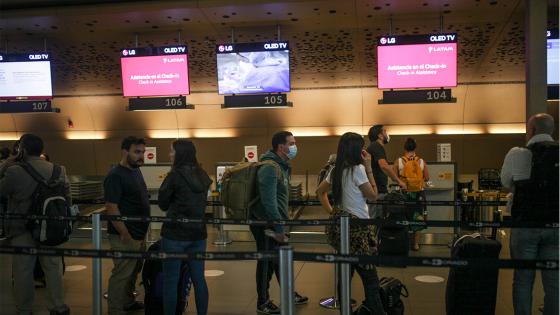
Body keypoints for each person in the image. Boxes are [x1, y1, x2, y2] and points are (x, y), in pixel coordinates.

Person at [0, 134, 70, 315]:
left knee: (23, 271)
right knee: (53, 269)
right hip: (51, 227)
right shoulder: (58, 170)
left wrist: (7, 162)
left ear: (22, 150)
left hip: (22, 229)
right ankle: (57, 306)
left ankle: (24, 309)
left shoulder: (14, 170)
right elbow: (67, 199)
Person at [316, 132, 385, 315]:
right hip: (359, 230)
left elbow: (320, 192)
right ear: (356, 150)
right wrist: (369, 167)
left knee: (345, 275)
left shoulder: (335, 170)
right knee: (370, 278)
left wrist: (333, 212)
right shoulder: (358, 170)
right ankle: (377, 311)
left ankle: (345, 310)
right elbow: (373, 196)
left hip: (341, 228)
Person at [501, 113, 558, 315]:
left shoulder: (518, 153)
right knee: (554, 280)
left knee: (523, 279)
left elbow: (506, 182)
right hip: (555, 226)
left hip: (525, 224)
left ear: (532, 130)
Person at [250, 131, 308, 314]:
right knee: (266, 263)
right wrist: (279, 228)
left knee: (279, 261)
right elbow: (269, 202)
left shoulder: (281, 166)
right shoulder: (269, 167)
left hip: (274, 222)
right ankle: (262, 301)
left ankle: (289, 293)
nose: (294, 146)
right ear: (281, 147)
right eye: (291, 143)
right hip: (265, 224)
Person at [158, 140, 212, 315]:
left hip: (174, 235)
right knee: (199, 279)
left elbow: (163, 204)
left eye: (172, 151)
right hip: (198, 235)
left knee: (171, 281)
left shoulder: (174, 176)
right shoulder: (202, 175)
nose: (169, 154)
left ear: (180, 154)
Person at [104, 136, 150, 314]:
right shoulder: (115, 175)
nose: (141, 156)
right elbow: (111, 207)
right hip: (124, 234)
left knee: (134, 270)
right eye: (137, 152)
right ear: (124, 151)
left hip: (139, 233)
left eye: (143, 152)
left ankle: (128, 301)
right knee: (122, 273)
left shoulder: (136, 171)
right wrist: (125, 234)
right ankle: (115, 309)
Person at [392, 138, 430, 251]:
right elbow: (427, 178)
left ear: (405, 148)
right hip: (418, 194)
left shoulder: (398, 161)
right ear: (415, 148)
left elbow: (394, 178)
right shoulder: (421, 161)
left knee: (403, 217)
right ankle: (416, 244)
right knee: (417, 217)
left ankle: (403, 241)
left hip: (404, 194)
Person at [366, 125, 406, 219]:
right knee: (375, 219)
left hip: (377, 189)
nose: (387, 134)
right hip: (376, 191)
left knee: (376, 218)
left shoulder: (374, 147)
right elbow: (384, 165)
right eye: (385, 131)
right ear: (380, 135)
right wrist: (398, 181)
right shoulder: (376, 146)